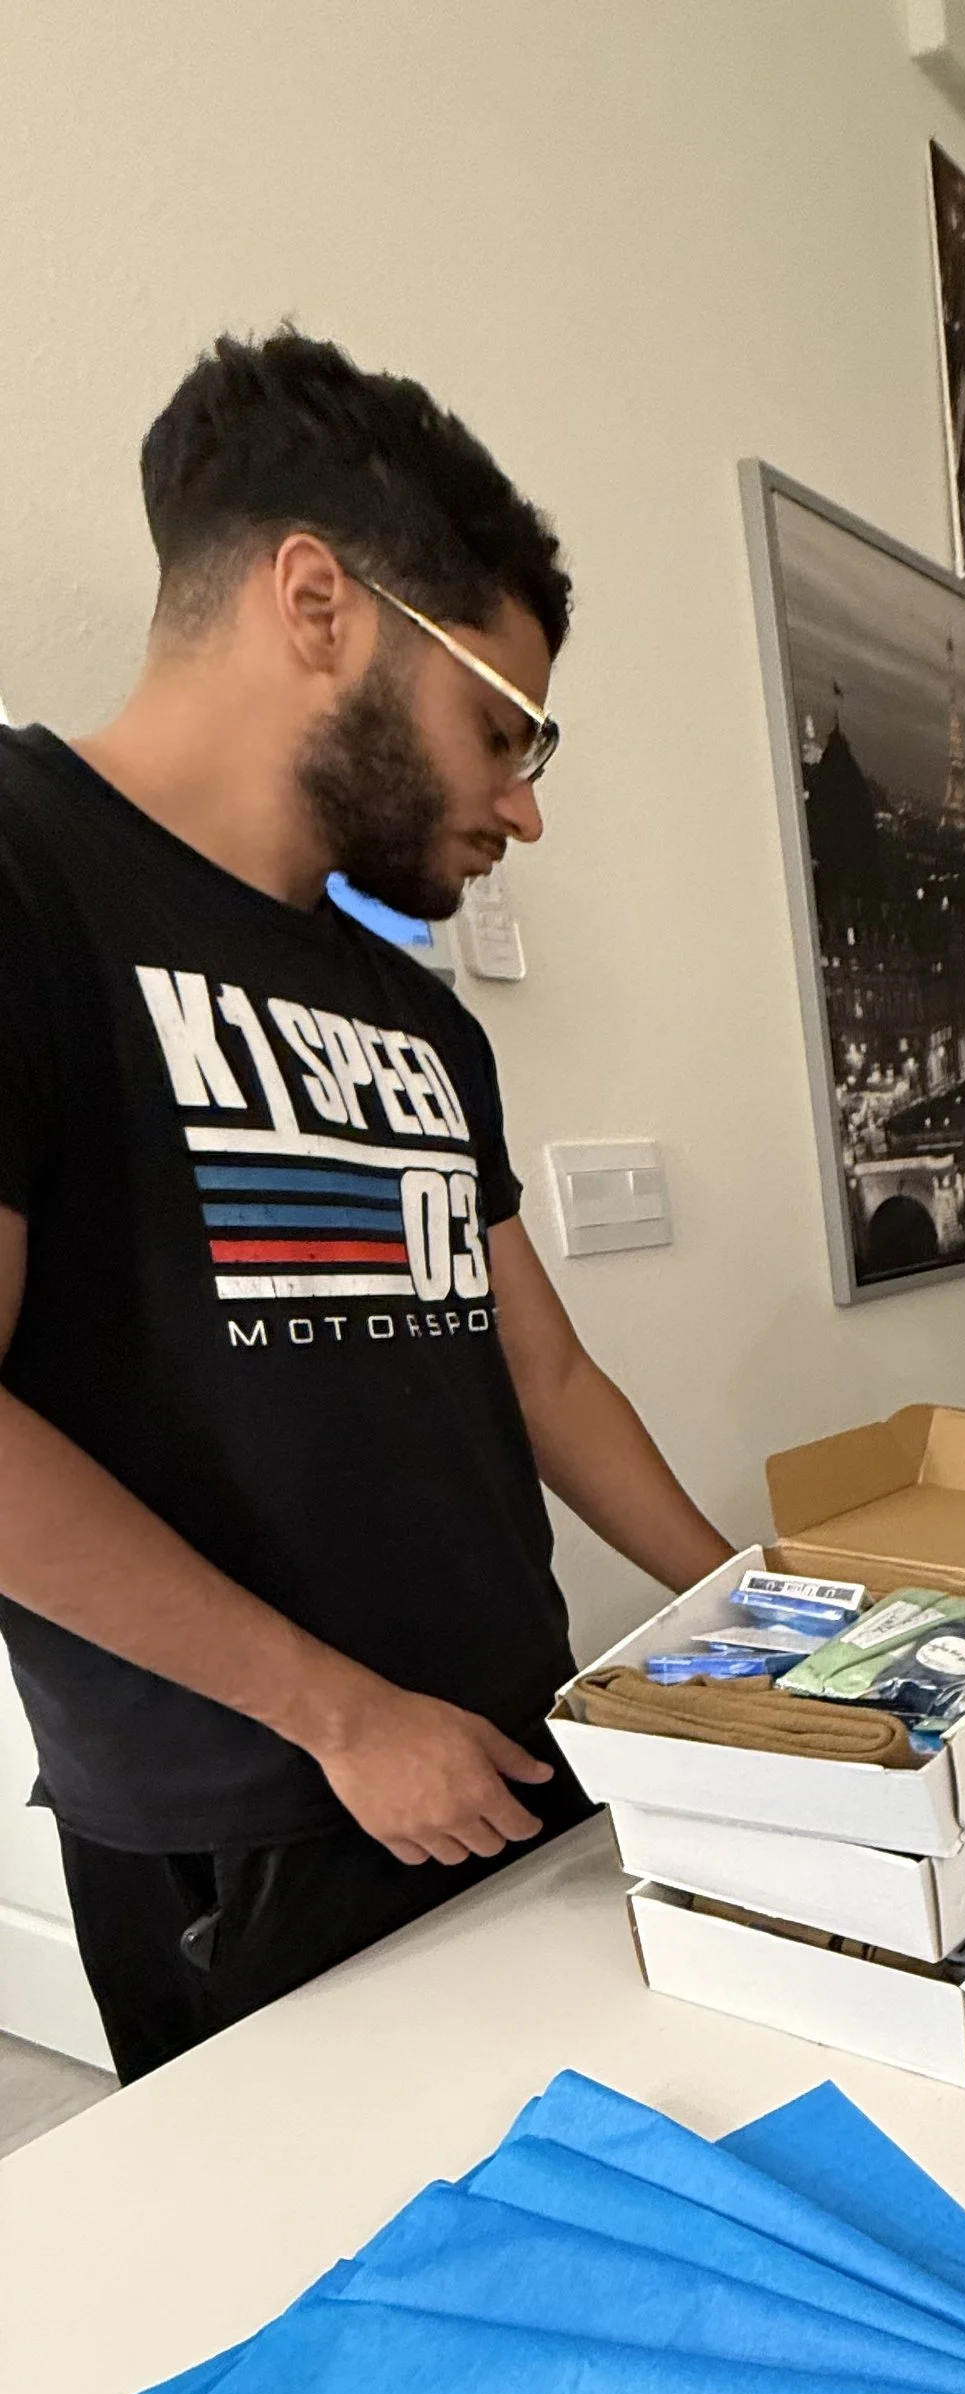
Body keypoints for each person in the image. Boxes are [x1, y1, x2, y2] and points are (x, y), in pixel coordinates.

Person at [0, 331, 732, 2083]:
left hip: (506, 1748)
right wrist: (332, 1716)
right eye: (502, 728)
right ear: (317, 603)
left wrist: (764, 1608)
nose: (527, 805)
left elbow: (541, 1378)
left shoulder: (414, 1011)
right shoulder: (26, 872)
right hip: (258, 1814)